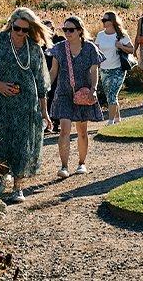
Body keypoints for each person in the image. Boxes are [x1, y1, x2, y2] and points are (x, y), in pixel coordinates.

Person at [0, 8, 52, 203]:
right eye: (17, 28)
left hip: (25, 102)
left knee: (21, 144)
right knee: (0, 141)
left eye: (25, 30)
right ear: (11, 25)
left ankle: (18, 187)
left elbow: (42, 82)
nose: (20, 33)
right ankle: (2, 171)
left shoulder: (33, 47)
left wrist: (44, 111)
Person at [49, 16, 104, 179]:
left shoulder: (90, 48)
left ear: (80, 31)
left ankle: (81, 163)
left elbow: (94, 71)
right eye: (64, 29)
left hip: (83, 93)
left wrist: (94, 89)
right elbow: (53, 71)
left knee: (82, 131)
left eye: (71, 29)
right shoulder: (58, 48)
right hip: (64, 93)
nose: (67, 32)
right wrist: (45, 88)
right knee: (65, 129)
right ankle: (64, 166)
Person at [94, 11, 135, 125]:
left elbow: (132, 50)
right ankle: (117, 118)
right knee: (110, 96)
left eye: (105, 20)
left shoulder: (121, 35)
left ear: (111, 21)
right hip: (104, 69)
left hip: (118, 68)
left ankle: (110, 121)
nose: (103, 22)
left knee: (112, 94)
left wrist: (120, 46)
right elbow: (96, 51)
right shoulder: (100, 35)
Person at [42, 20, 66, 134]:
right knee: (47, 97)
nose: (51, 31)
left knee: (57, 96)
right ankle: (48, 122)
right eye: (48, 29)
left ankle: (57, 122)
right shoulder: (40, 43)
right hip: (45, 73)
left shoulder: (59, 41)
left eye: (52, 28)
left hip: (60, 73)